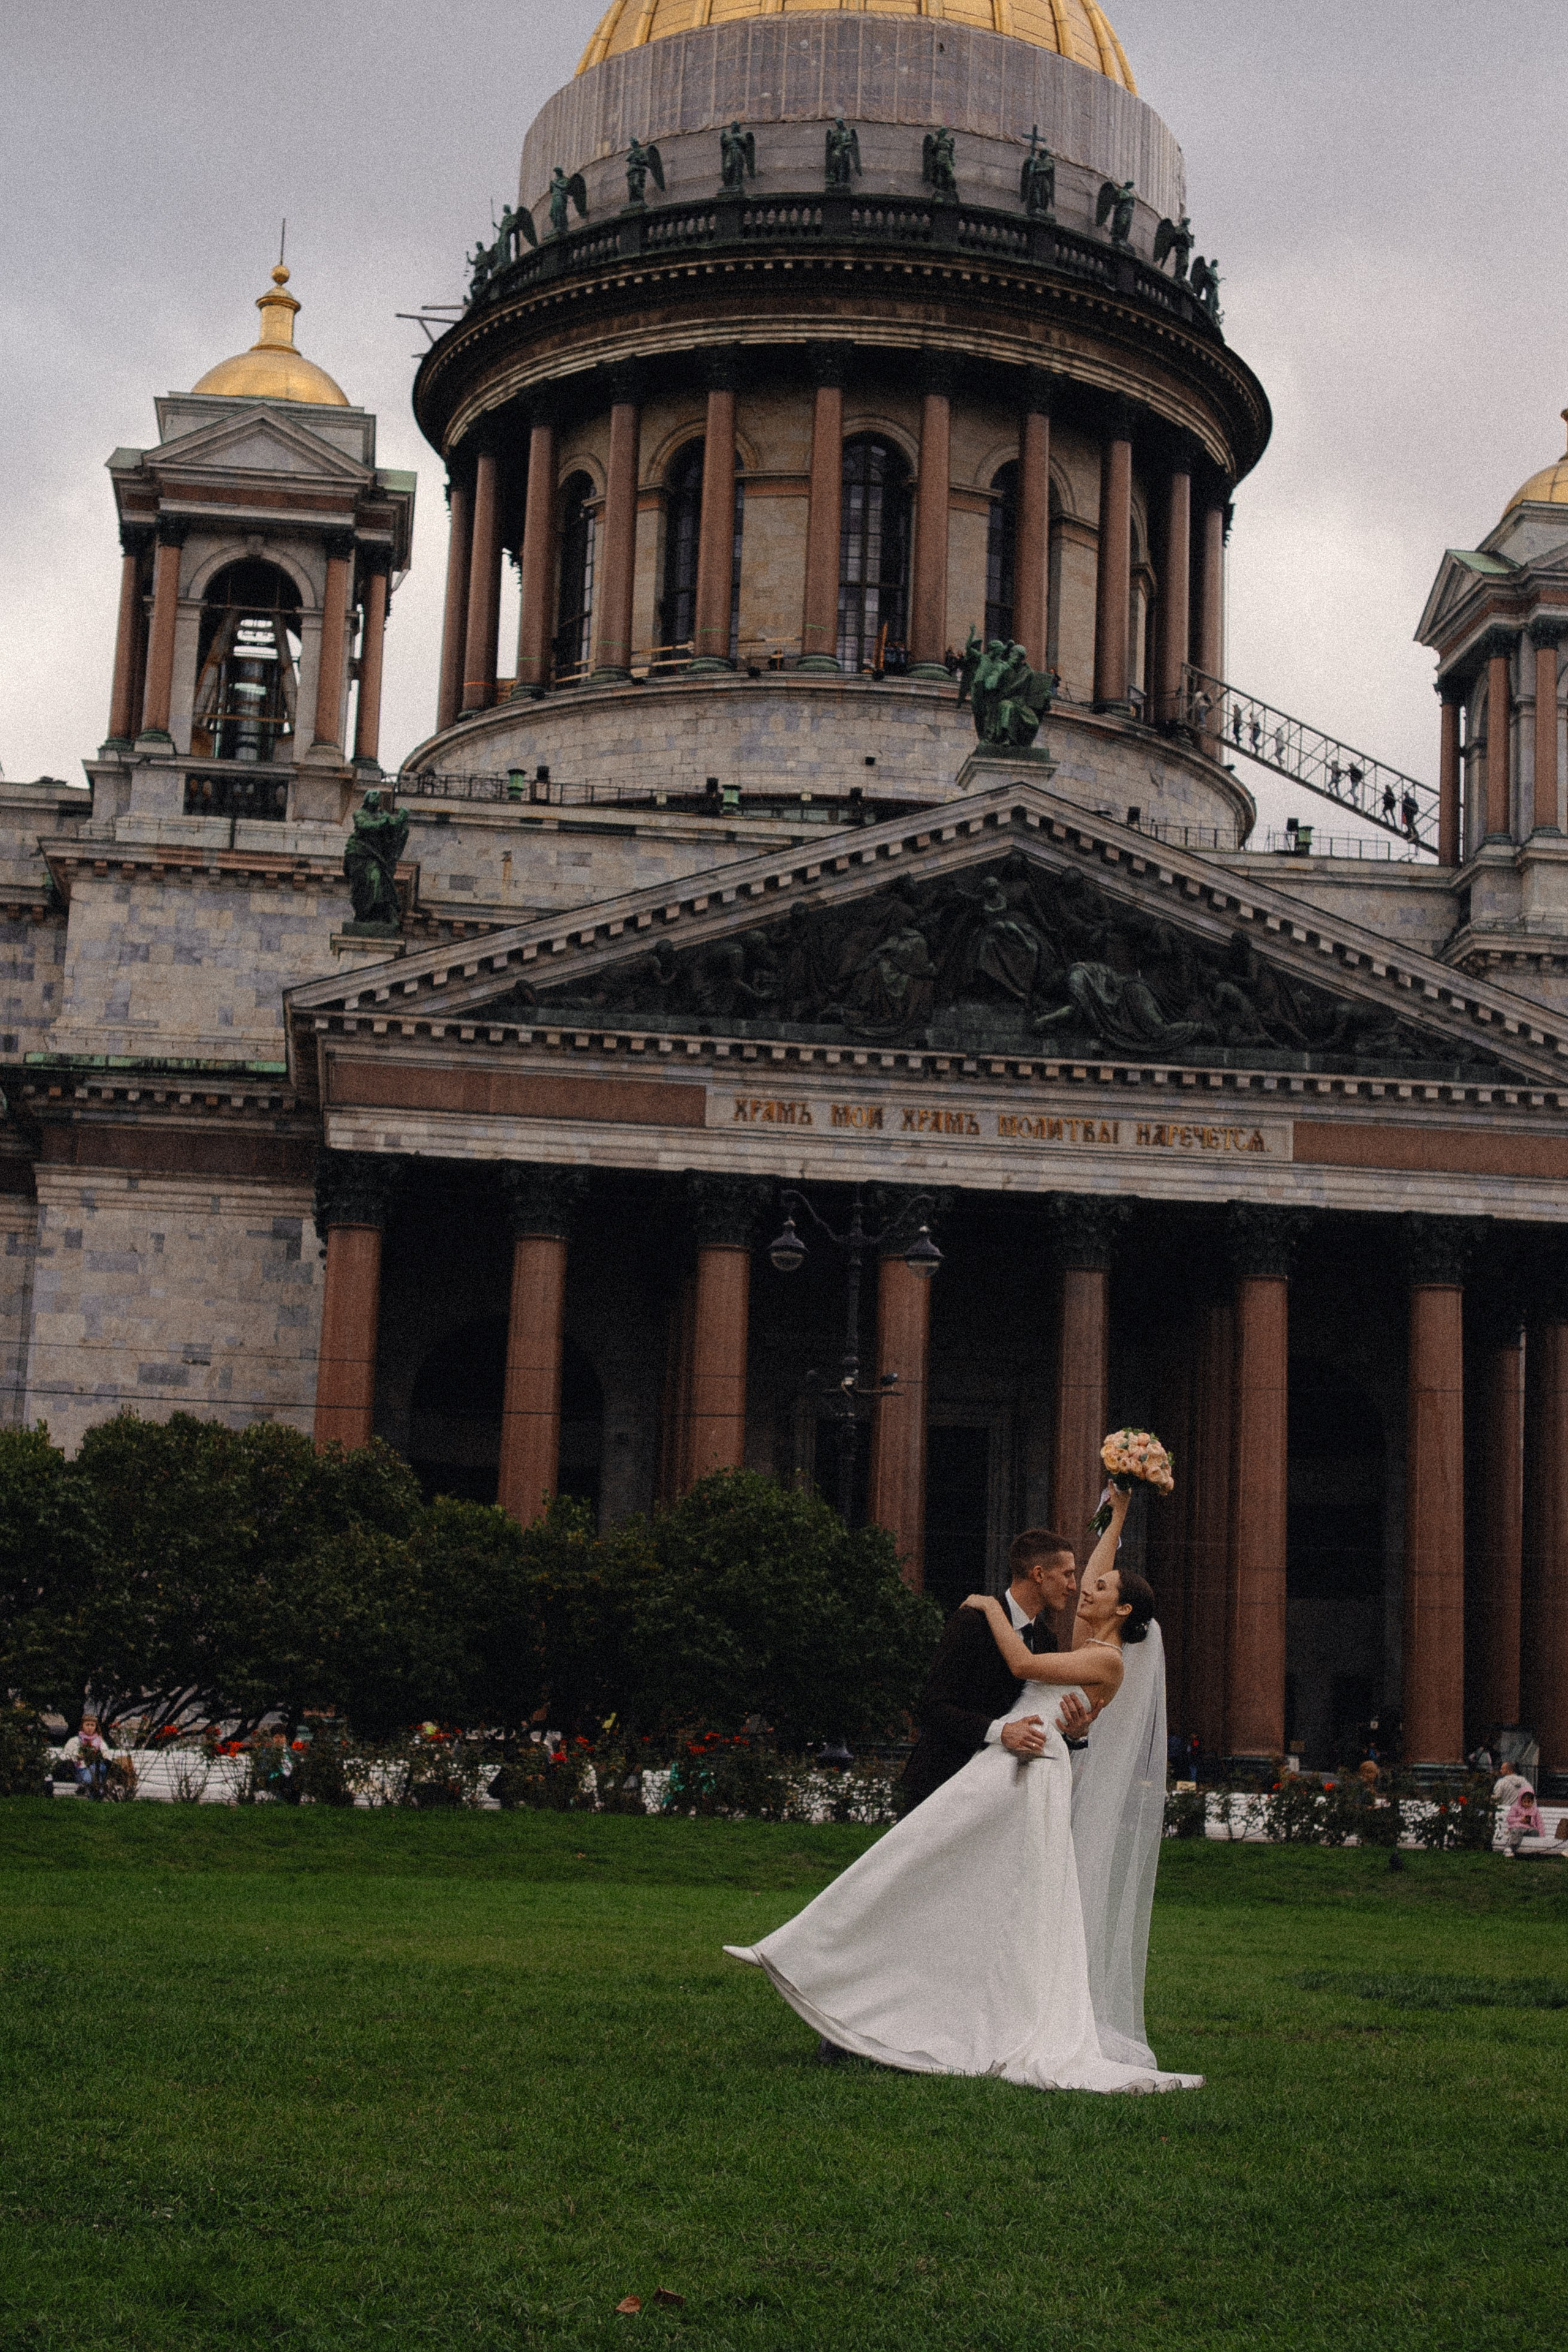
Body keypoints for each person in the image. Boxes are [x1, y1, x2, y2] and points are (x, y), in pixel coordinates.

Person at [725, 1485, 1201, 2094]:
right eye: (1072, 1575)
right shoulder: (1041, 1636)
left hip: (1020, 1780)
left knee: (967, 1908)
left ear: (1122, 1608)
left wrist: (990, 1609)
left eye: (1095, 1585)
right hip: (963, 1773)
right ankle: (812, 1970)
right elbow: (937, 1704)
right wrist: (1119, 1512)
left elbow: (1027, 1673)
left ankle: (906, 2011)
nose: (1083, 1584)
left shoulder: (1070, 1650)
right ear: (1039, 1573)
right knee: (900, 1880)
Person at [899, 1526, 1093, 1813]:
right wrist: (1001, 1732)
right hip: (942, 1783)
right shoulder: (972, 1622)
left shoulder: (1046, 1639)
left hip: (1002, 1796)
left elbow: (1035, 1714)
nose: (1074, 1586)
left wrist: (1076, 1734)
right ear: (1039, 1574)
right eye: (1068, 1574)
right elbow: (932, 1707)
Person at [1502, 1783, 1545, 1857]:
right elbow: (1510, 1819)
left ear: (1532, 1801)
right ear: (1521, 1800)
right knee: (1517, 1831)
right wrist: (1520, 1819)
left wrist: (1542, 1835)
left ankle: (1530, 1850)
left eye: (1529, 1802)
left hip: (1529, 1828)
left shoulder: (1535, 1810)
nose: (1527, 1804)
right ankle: (1509, 1848)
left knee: (1535, 1832)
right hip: (1518, 1827)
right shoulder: (1516, 1807)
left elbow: (1539, 1822)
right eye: (1524, 1801)